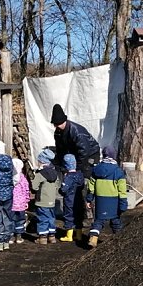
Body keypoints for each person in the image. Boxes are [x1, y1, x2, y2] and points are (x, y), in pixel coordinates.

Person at [50, 103, 99, 238]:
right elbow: (60, 150)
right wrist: (61, 165)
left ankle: (88, 213)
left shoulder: (76, 131)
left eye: (58, 124)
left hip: (89, 156)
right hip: (74, 157)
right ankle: (78, 217)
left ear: (64, 121)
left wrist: (77, 169)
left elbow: (85, 151)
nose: (56, 126)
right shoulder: (58, 133)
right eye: (55, 124)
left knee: (84, 184)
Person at [85, 145, 128, 248]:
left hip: (100, 200)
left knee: (99, 220)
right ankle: (120, 241)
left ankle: (93, 238)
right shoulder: (118, 171)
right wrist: (123, 204)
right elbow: (122, 190)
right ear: (114, 156)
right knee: (116, 221)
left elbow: (91, 186)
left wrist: (89, 199)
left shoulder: (96, 169)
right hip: (113, 201)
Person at [31, 148, 59, 245]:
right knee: (51, 217)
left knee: (42, 218)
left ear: (42, 161)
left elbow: (34, 187)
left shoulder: (40, 174)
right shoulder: (55, 173)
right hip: (52, 200)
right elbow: (57, 185)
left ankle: (42, 237)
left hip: (42, 200)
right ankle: (52, 236)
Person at [58, 153, 84, 242]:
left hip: (69, 200)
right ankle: (79, 235)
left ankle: (69, 235)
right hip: (79, 199)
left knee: (69, 215)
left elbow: (64, 189)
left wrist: (60, 190)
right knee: (78, 216)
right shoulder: (80, 175)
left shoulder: (68, 177)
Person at [11, 158, 31, 244]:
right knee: (20, 220)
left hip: (11, 203)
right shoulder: (23, 178)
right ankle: (18, 236)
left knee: (10, 219)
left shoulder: (9, 177)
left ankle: (11, 236)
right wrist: (27, 200)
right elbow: (27, 190)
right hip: (21, 204)